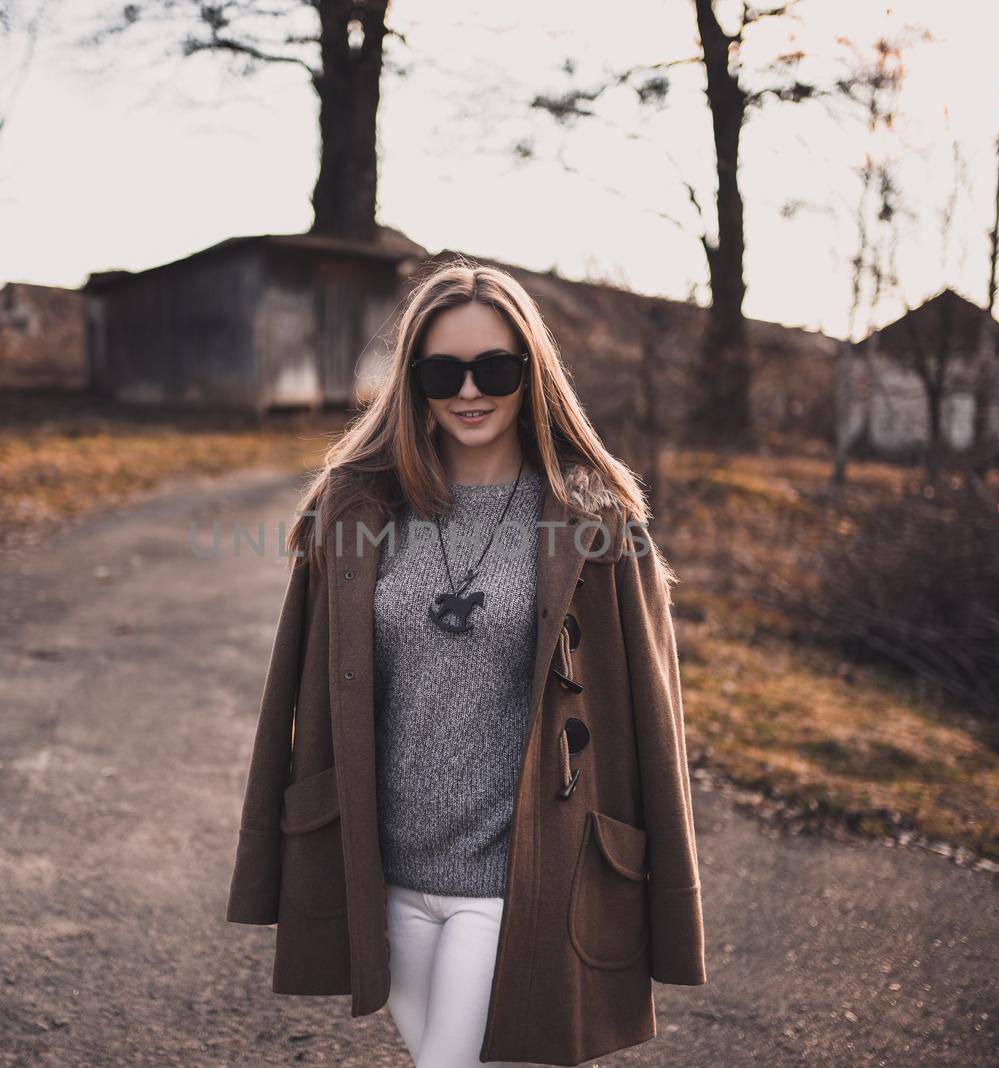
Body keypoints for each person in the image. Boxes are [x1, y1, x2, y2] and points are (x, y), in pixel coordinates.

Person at [227, 257, 706, 1068]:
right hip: (385, 874)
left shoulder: (597, 522)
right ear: (412, 381)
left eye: (497, 367)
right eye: (444, 370)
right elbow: (294, 694)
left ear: (533, 374)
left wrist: (669, 893)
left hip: (515, 878)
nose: (469, 390)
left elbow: (655, 721)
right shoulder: (357, 508)